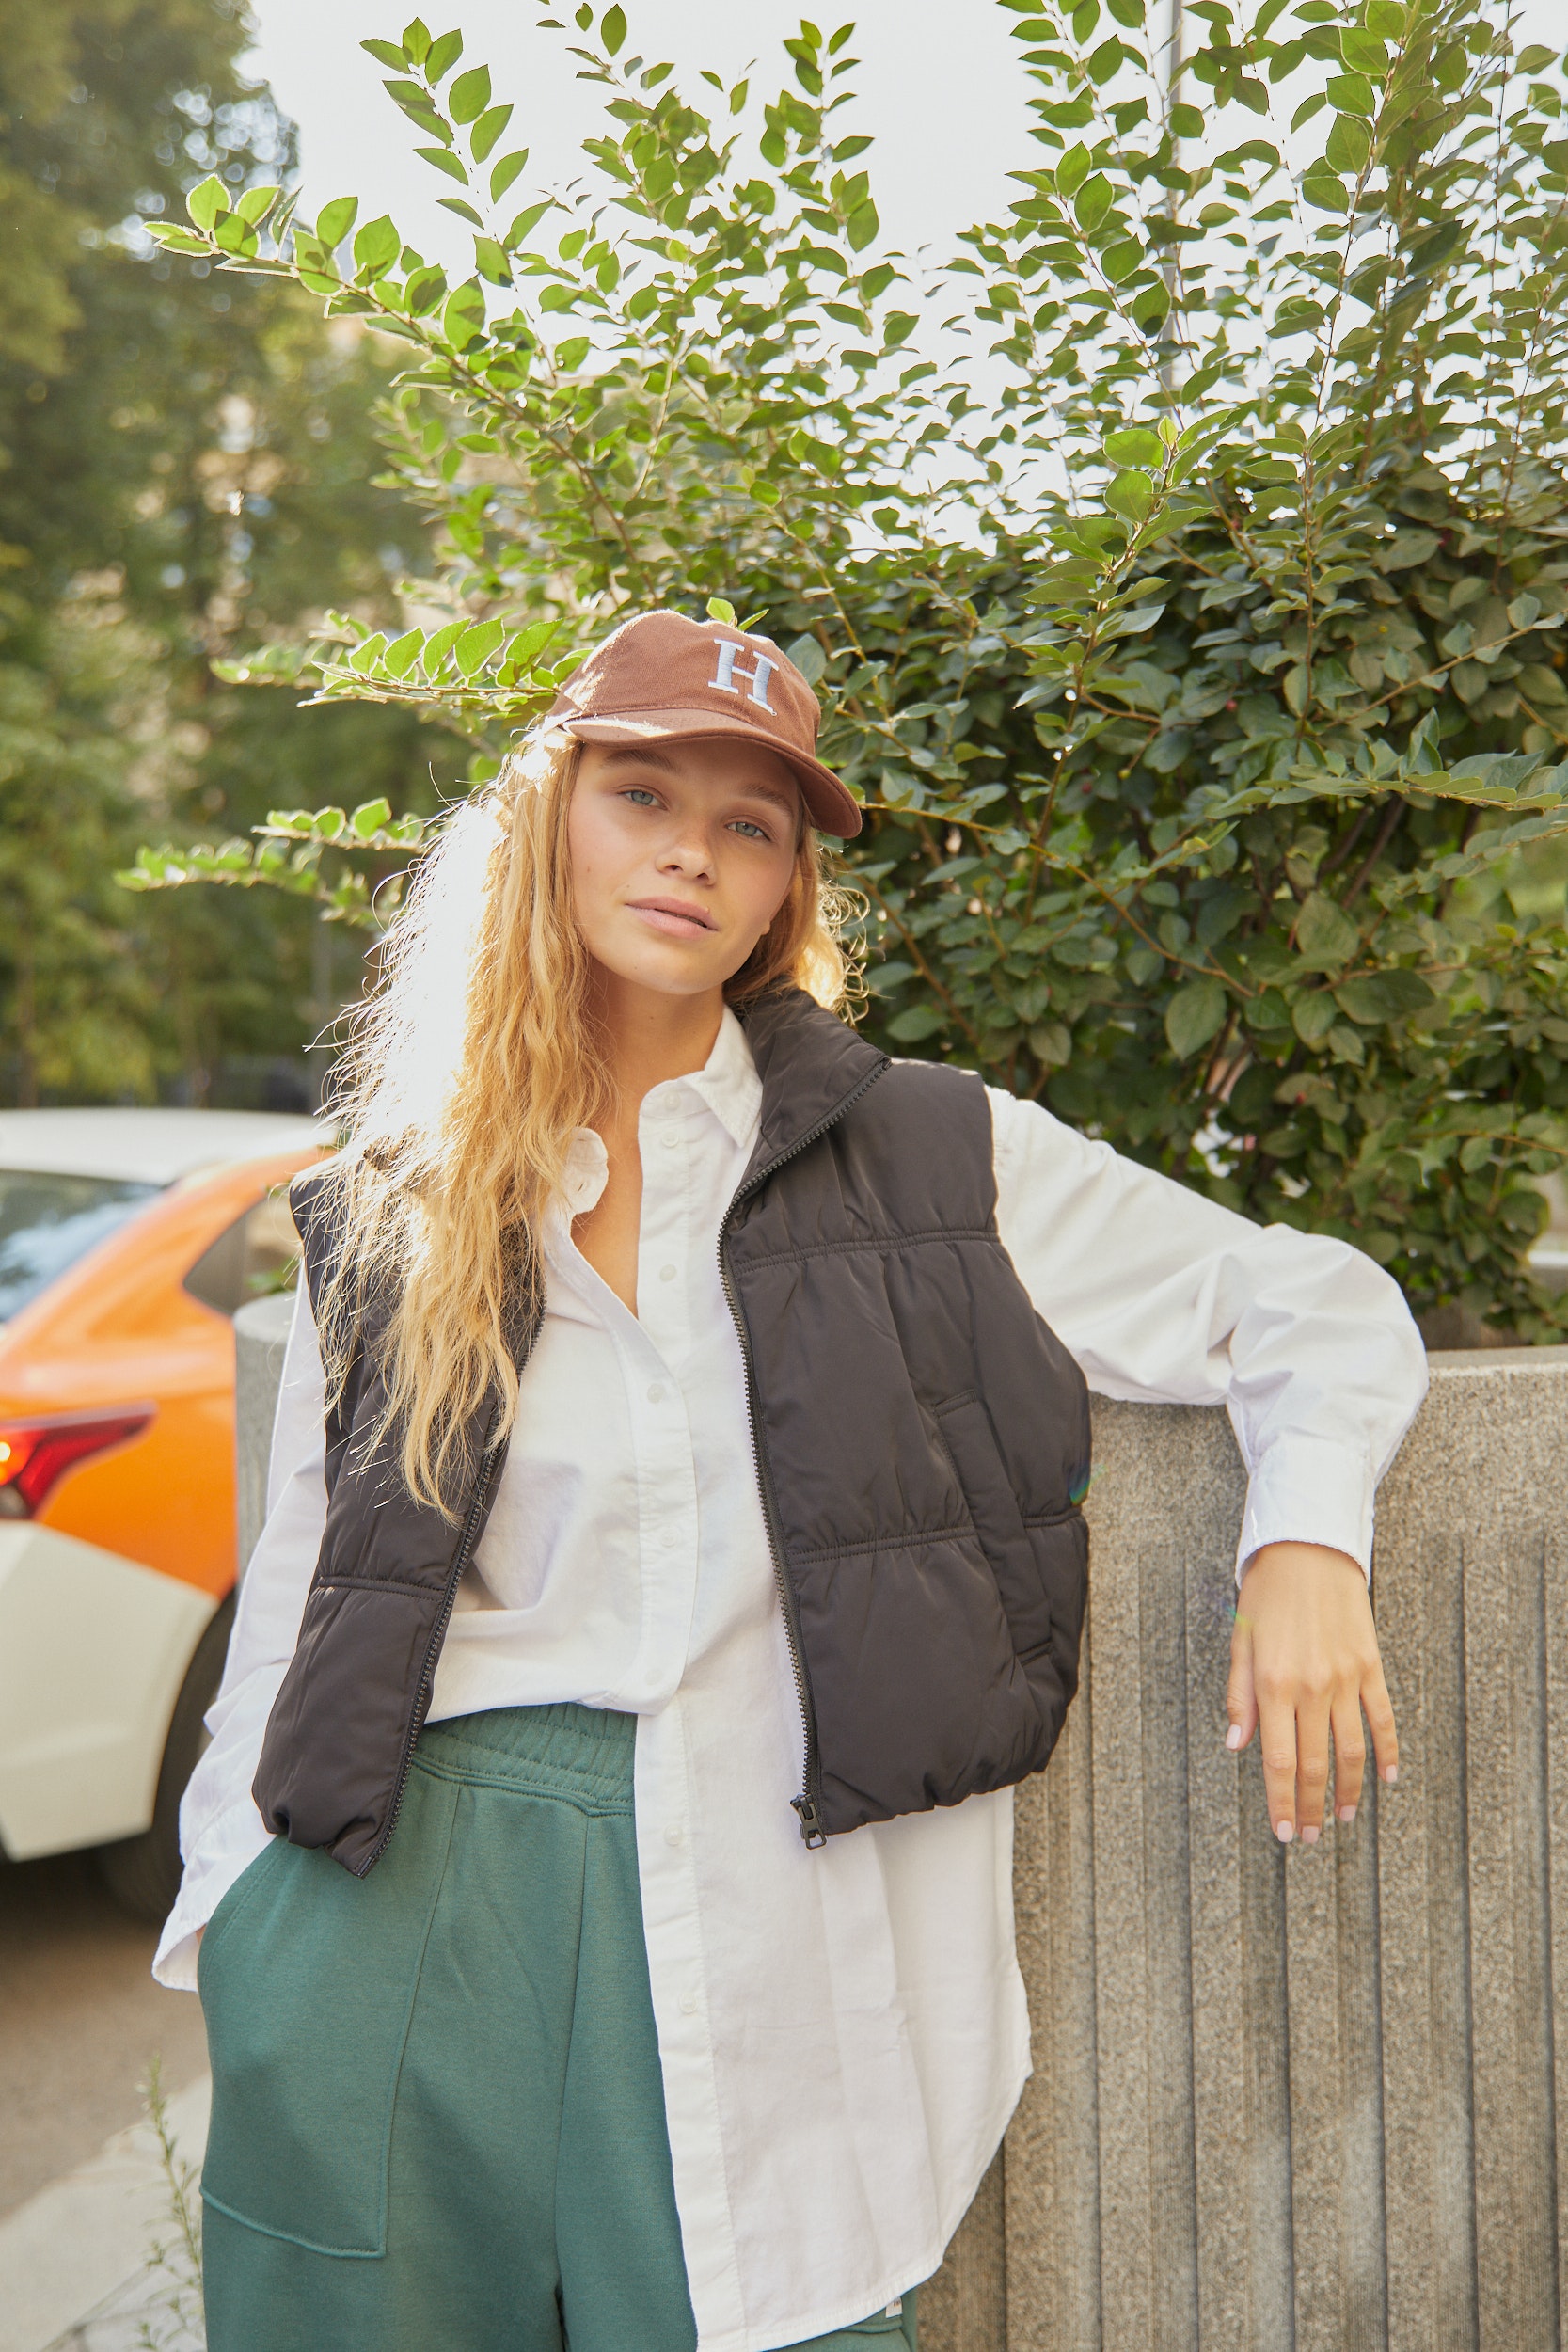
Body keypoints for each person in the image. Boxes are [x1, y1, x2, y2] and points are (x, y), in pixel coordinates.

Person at [155, 609, 1427, 2352]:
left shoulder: (933, 1152)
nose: (692, 844)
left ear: (782, 894)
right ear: (550, 819)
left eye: (751, 822)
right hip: (390, 1905)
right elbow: (302, 1596)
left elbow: (1308, 1301)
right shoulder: (400, 1198)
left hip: (754, 1894)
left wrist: (1306, 1546)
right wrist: (234, 1924)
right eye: (644, 791)